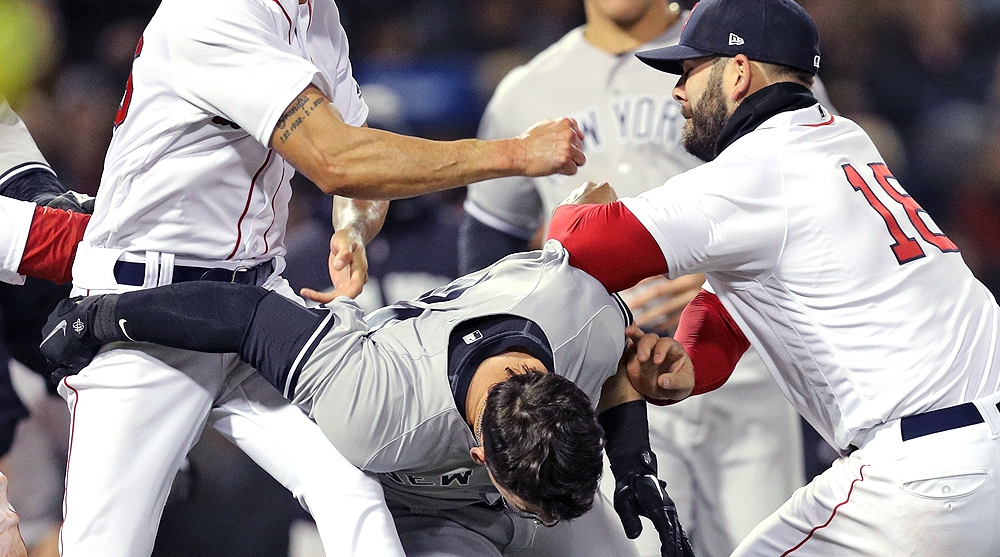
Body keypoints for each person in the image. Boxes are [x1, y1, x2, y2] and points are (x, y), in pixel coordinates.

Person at [56, 0, 585, 557]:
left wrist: (350, 227)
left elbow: (355, 171)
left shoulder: (317, 10)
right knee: (103, 548)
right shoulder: (211, 9)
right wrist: (512, 155)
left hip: (255, 305)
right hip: (150, 312)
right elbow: (338, 158)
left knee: (353, 491)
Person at [547, 0, 1000, 556]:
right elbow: (749, 295)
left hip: (926, 471)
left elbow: (583, 243)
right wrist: (688, 367)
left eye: (688, 69)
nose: (679, 91)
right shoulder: (844, 137)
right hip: (974, 447)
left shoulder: (760, 167)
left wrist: (577, 200)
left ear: (738, 72)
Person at [38, 191, 693, 557]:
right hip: (418, 503)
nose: (545, 519)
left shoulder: (582, 316)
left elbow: (612, 373)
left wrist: (632, 465)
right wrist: (107, 316)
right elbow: (245, 315)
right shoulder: (379, 414)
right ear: (477, 453)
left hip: (475, 455)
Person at [461, 0, 803, 556]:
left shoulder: (744, 63)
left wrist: (716, 279)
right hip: (611, 386)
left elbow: (812, 202)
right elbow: (483, 257)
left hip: (744, 369)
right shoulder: (526, 91)